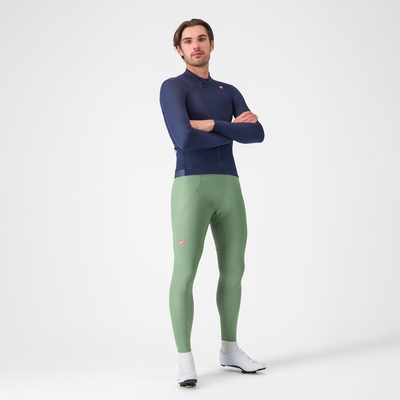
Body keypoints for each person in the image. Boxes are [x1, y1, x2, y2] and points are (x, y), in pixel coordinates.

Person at [159, 18, 266, 388]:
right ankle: (184, 359)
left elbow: (257, 133)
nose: (196, 45)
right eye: (188, 41)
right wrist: (230, 129)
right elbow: (184, 139)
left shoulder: (228, 90)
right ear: (179, 50)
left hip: (229, 187)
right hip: (191, 186)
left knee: (234, 269)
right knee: (185, 271)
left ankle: (229, 350)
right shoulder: (173, 87)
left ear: (212, 44)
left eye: (202, 38)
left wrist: (208, 124)